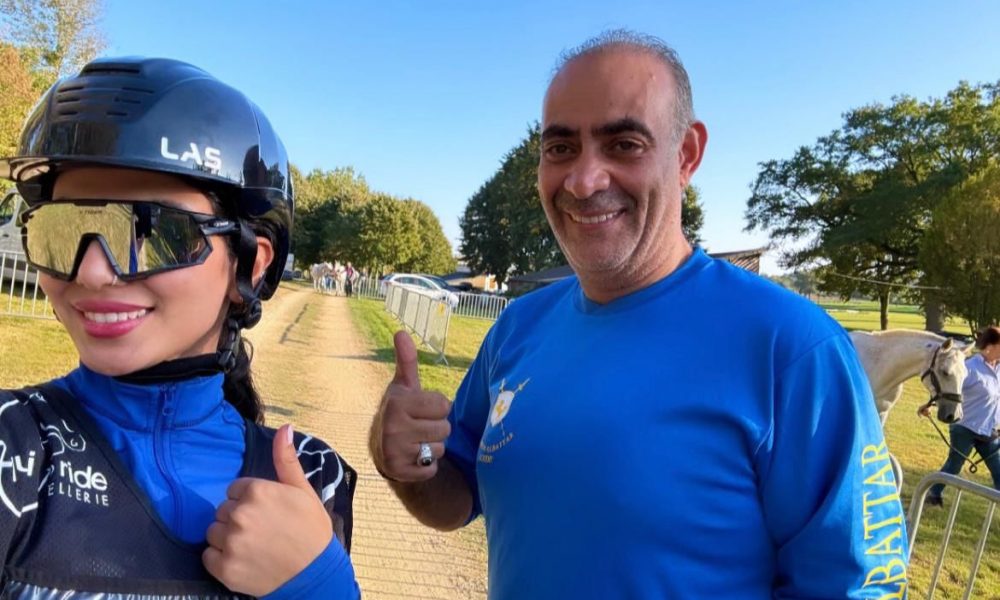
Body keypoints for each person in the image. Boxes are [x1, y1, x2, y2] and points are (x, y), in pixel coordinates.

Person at [369, 30, 908, 598]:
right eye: (560, 148)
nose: (584, 181)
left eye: (623, 144)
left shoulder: (794, 349)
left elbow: (856, 586)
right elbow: (457, 497)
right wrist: (403, 463)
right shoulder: (517, 329)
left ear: (686, 154)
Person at [0, 57, 360, 599]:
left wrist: (320, 586)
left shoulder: (311, 477)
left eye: (153, 231)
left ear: (250, 266)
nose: (91, 273)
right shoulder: (12, 449)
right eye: (63, 228)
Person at [922, 326, 1000, 505]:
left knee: (998, 469)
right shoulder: (970, 368)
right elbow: (949, 389)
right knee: (954, 465)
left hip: (989, 429)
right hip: (965, 426)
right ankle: (933, 494)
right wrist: (930, 405)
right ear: (989, 347)